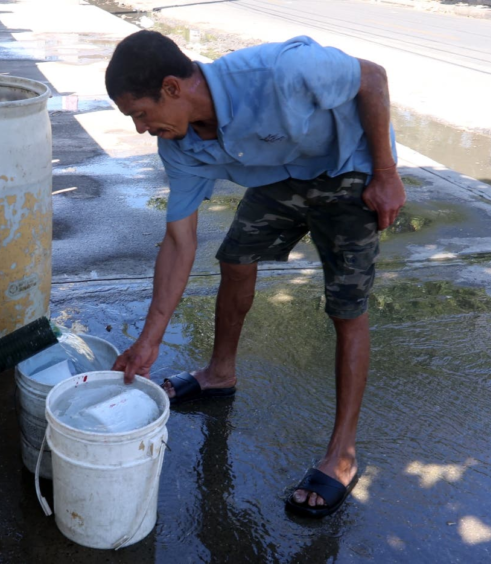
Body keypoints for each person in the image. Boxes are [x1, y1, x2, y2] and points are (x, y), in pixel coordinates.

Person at [105, 30, 405, 518]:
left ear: (173, 88)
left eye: (140, 113)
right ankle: (219, 374)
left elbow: (372, 78)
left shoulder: (280, 72)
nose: (141, 128)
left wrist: (386, 173)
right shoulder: (179, 147)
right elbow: (180, 242)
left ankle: (342, 455)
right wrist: (148, 340)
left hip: (351, 166)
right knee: (235, 256)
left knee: (346, 306)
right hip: (285, 172)